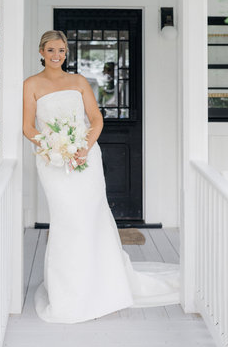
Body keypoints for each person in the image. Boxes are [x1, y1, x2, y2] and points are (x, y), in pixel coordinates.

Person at [23, 30, 179, 324]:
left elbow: (96, 119)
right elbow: (27, 126)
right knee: (67, 220)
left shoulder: (78, 82)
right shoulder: (31, 84)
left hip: (85, 158)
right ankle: (68, 290)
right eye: (51, 50)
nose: (57, 55)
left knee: (91, 218)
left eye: (62, 50)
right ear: (41, 51)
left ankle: (104, 285)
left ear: (66, 53)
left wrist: (83, 147)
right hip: (53, 161)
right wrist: (52, 145)